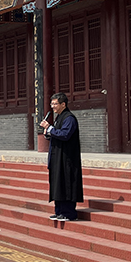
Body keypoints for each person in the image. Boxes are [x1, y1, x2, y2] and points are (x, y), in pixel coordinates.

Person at [40, 93, 84, 221]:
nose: (52, 106)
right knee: (58, 183)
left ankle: (68, 213)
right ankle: (59, 211)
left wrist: (49, 128)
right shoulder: (59, 117)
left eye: (55, 104)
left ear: (63, 104)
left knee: (66, 183)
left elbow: (65, 134)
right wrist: (48, 133)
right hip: (57, 157)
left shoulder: (69, 118)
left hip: (66, 158)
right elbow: (57, 134)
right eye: (52, 103)